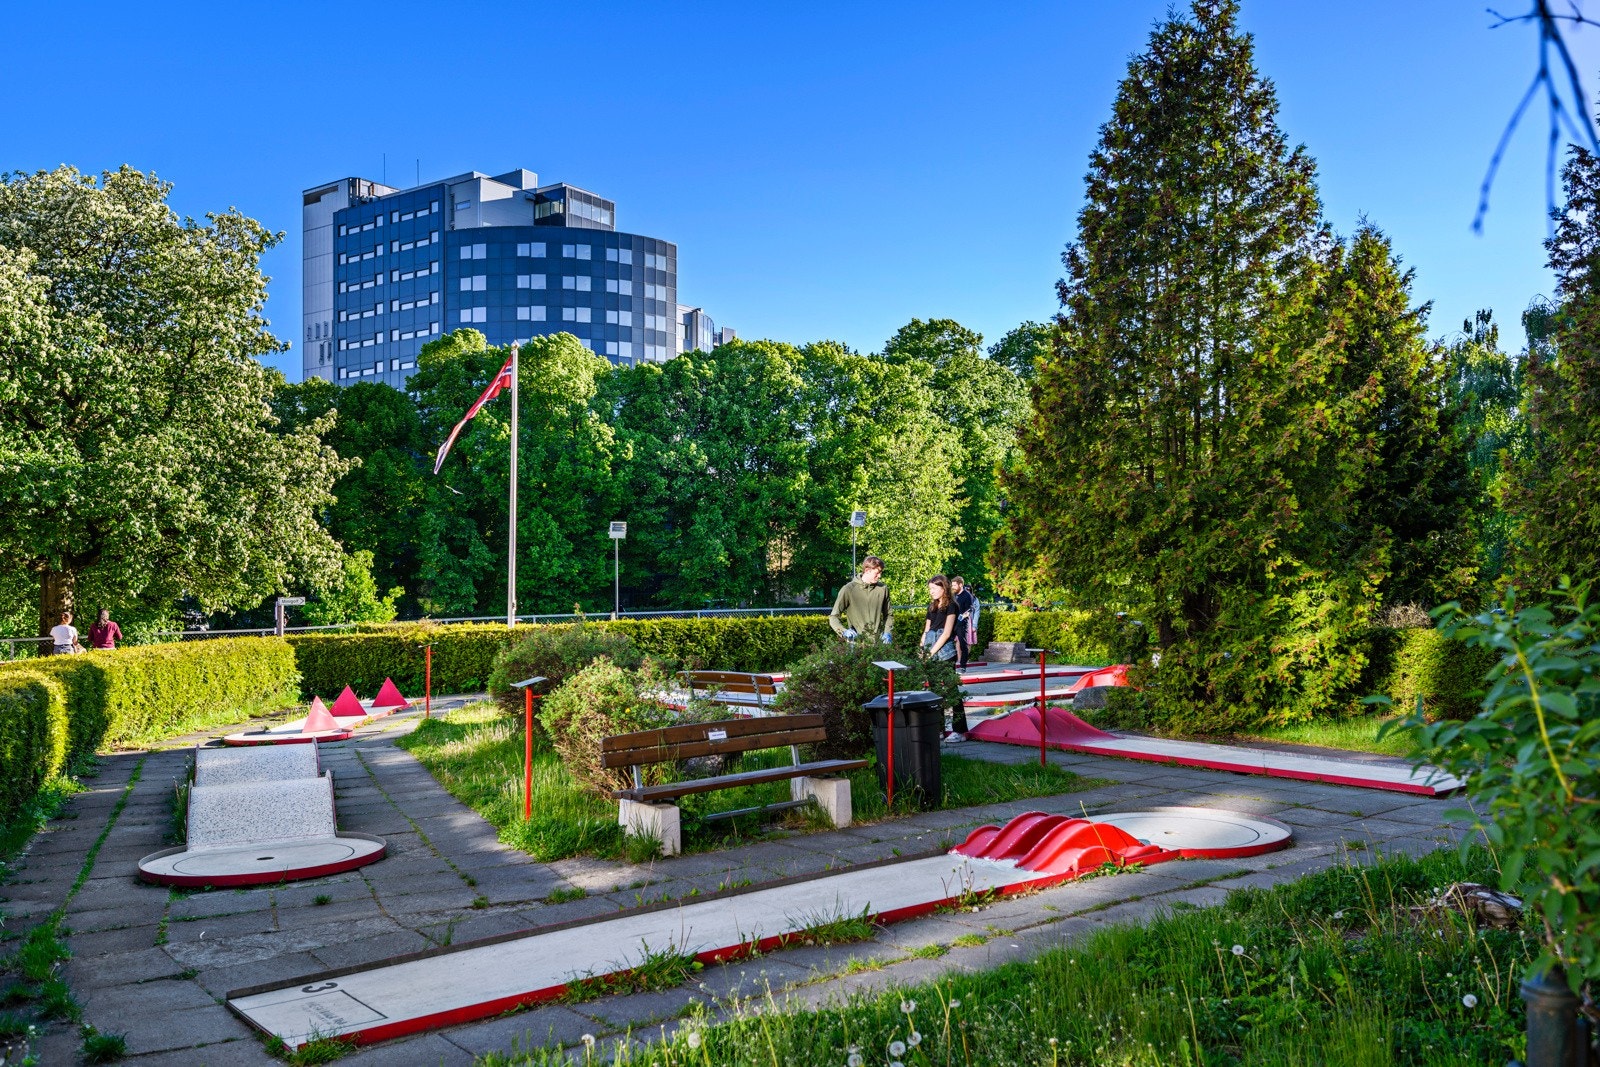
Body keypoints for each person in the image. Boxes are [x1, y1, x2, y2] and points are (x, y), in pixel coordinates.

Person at [921, 576, 971, 742]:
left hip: (944, 652)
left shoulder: (952, 606)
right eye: (930, 589)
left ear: (943, 588)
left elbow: (947, 633)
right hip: (931, 650)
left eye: (934, 588)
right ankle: (939, 729)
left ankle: (960, 731)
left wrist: (931, 652)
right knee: (934, 692)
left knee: (951, 690)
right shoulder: (932, 606)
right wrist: (922, 648)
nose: (931, 592)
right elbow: (927, 630)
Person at [829, 556, 893, 644]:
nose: (880, 576)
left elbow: (889, 615)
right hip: (857, 644)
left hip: (878, 645)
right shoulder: (849, 589)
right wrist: (844, 632)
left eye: (881, 572)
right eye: (877, 573)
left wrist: (887, 632)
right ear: (867, 570)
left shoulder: (882, 589)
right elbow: (833, 617)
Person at [951, 576, 977, 669]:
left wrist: (965, 615)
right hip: (952, 622)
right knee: (949, 643)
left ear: (960, 585)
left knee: (963, 643)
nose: (953, 587)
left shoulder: (967, 595)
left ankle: (963, 665)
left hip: (962, 623)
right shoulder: (953, 595)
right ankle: (951, 665)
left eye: (954, 585)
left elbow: (971, 608)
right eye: (952, 585)